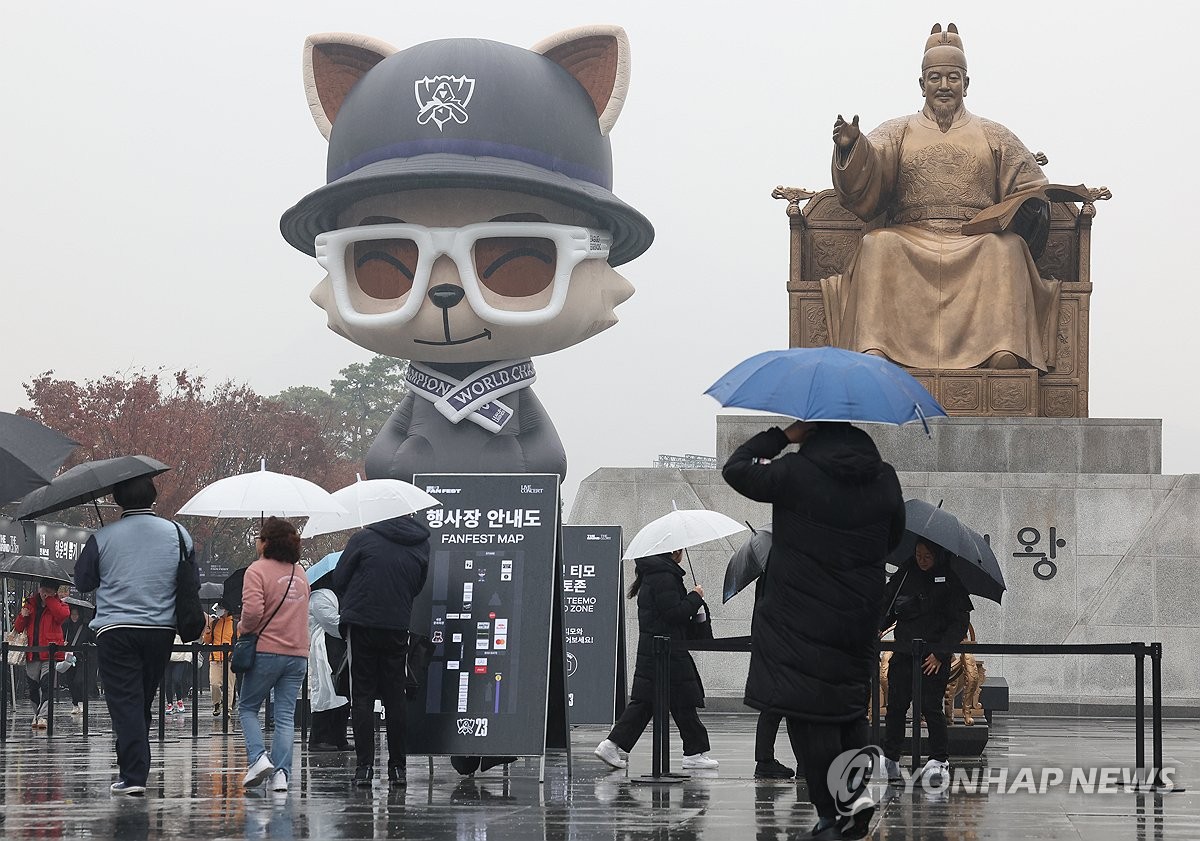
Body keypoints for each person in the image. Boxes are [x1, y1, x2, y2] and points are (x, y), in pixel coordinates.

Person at [822, 23, 1060, 373]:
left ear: (966, 83)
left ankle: (1002, 351)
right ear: (922, 85)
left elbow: (1029, 184)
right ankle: (875, 348)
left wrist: (1031, 202)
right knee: (877, 245)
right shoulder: (896, 130)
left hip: (975, 236)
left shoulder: (994, 134)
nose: (944, 86)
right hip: (911, 234)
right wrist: (851, 149)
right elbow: (867, 179)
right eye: (935, 78)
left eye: (953, 78)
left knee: (1005, 249)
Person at [723, 421, 904, 840]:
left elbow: (736, 468)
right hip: (858, 616)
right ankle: (853, 803)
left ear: (812, 433)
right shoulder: (884, 478)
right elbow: (892, 539)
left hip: (800, 616)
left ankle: (832, 815)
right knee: (848, 711)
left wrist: (782, 436)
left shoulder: (795, 473)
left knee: (808, 716)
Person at [74, 474, 198, 796]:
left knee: (126, 700)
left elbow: (83, 582)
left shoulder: (103, 537)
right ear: (152, 496)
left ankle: (133, 776)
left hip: (116, 629)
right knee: (142, 697)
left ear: (118, 499)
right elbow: (190, 580)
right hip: (160, 630)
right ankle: (133, 766)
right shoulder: (178, 533)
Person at [594, 549, 718, 772]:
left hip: (660, 650)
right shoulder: (664, 576)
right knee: (678, 702)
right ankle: (694, 753)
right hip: (665, 651)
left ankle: (612, 745)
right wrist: (695, 597)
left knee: (660, 702)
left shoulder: (658, 574)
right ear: (675, 551)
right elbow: (673, 613)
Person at [333, 514, 430, 788]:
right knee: (395, 696)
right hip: (397, 624)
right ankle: (398, 768)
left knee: (361, 695)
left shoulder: (363, 538)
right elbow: (418, 585)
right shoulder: (421, 542)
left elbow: (340, 579)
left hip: (361, 623)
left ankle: (364, 768)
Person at [879, 539, 973, 785]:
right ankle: (891, 757)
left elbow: (959, 623)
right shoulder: (905, 574)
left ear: (938, 555)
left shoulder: (950, 580)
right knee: (897, 707)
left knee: (931, 707)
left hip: (933, 657)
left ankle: (938, 758)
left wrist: (940, 654)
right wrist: (879, 626)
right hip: (903, 652)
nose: (922, 560)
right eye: (918, 554)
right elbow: (887, 605)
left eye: (927, 556)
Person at [237, 517, 310, 793]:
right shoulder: (300, 573)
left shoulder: (256, 571)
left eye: (259, 537)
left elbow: (253, 612)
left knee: (247, 707)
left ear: (267, 541)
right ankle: (281, 774)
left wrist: (243, 627)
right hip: (298, 654)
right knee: (284, 715)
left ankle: (257, 758)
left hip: (267, 651)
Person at [13, 580, 69, 728]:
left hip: (50, 654)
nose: (44, 592)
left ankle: (43, 716)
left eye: (49, 590)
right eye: (42, 588)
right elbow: (18, 628)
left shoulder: (59, 605)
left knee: (46, 684)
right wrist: (22, 615)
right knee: (32, 686)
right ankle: (36, 714)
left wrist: (50, 600)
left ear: (54, 592)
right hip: (32, 652)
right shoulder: (31, 604)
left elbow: (62, 616)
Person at [307, 571, 351, 752]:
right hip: (324, 650)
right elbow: (332, 623)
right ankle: (319, 739)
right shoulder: (319, 597)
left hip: (339, 648)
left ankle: (339, 738)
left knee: (342, 692)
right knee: (325, 693)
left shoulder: (338, 595)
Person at [60, 603, 98, 714]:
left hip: (82, 658)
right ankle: (75, 704)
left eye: (76, 614)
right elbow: (60, 638)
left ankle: (81, 702)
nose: (74, 617)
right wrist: (63, 643)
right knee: (70, 681)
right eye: (72, 614)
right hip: (69, 657)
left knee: (79, 681)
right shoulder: (66, 626)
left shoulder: (86, 627)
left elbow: (94, 640)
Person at [203, 602, 235, 717]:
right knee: (214, 683)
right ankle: (217, 703)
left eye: (221, 608)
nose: (218, 611)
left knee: (229, 686)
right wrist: (207, 631)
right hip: (215, 658)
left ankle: (227, 709)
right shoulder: (215, 623)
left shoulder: (234, 624)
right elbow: (207, 641)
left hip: (230, 658)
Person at [164, 633, 191, 716]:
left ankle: (179, 700)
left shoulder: (183, 628)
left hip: (180, 659)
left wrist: (187, 659)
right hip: (167, 660)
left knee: (177, 679)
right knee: (167, 682)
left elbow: (188, 643)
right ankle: (169, 703)